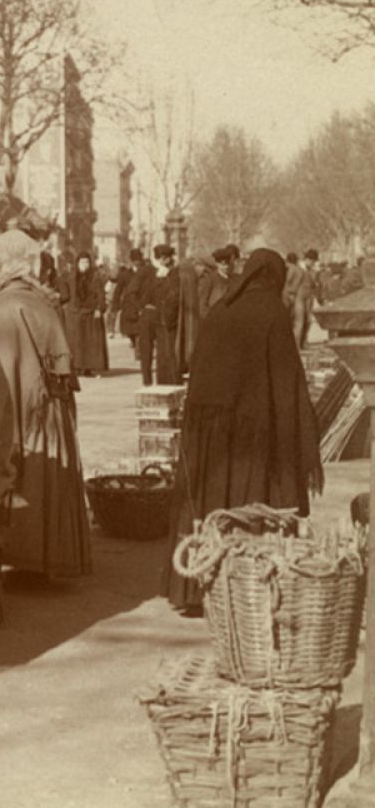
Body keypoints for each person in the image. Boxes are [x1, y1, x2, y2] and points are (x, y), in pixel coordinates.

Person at [165, 249, 321, 612]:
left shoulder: (220, 309)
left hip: (208, 431)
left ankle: (195, 586)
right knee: (246, 504)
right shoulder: (271, 312)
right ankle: (240, 587)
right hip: (254, 431)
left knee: (209, 503)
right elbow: (287, 383)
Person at [0, 229, 92, 580]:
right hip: (43, 411)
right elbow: (59, 363)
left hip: (16, 410)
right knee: (43, 476)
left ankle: (18, 554)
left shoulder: (1, 304)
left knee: (23, 474)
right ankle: (43, 556)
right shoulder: (33, 301)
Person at [63, 254, 108, 376]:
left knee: (90, 342)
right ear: (77, 264)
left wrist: (100, 308)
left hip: (91, 313)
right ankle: (77, 368)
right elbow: (65, 295)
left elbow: (101, 295)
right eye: (82, 262)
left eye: (87, 262)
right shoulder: (71, 278)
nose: (84, 265)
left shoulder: (95, 278)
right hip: (75, 314)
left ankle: (91, 368)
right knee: (76, 343)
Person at [120, 248, 159, 386]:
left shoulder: (167, 273)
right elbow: (131, 292)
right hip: (147, 312)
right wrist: (140, 307)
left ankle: (161, 381)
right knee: (146, 346)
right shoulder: (145, 272)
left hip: (162, 314)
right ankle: (147, 381)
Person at [153, 245, 182, 384]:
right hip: (160, 319)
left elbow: (174, 296)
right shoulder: (161, 274)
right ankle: (163, 381)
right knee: (162, 353)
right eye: (160, 259)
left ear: (170, 258)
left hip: (171, 319)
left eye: (164, 258)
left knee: (171, 353)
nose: (161, 261)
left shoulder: (175, 274)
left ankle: (172, 381)